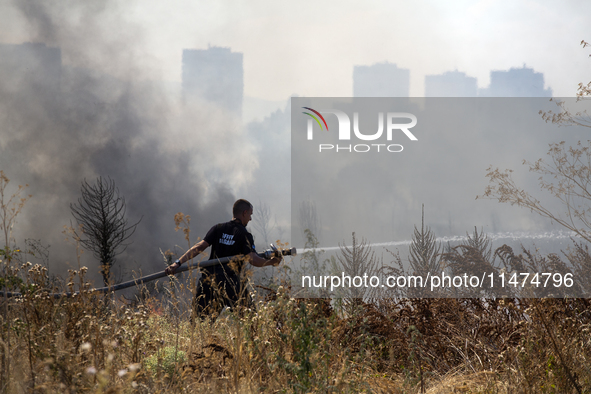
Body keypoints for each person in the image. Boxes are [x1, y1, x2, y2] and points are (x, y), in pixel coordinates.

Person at [165, 199, 281, 317]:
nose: (250, 219)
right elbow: (253, 260)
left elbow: (199, 247)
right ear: (244, 213)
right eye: (250, 215)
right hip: (230, 282)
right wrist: (272, 262)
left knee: (199, 324)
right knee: (251, 319)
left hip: (209, 280)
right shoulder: (244, 235)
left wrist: (177, 263)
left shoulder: (218, 228)